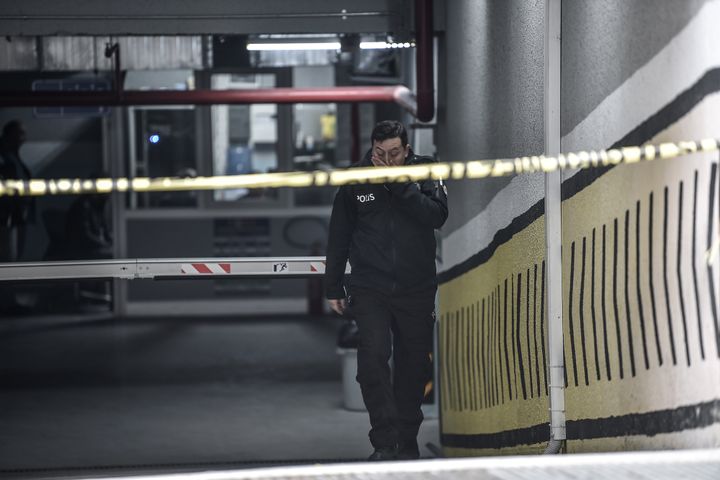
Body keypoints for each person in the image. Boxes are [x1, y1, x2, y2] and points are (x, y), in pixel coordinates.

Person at [325, 120, 448, 461]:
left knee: (414, 368)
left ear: (406, 150)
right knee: (373, 360)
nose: (386, 159)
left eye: (394, 154)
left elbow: (436, 216)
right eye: (379, 153)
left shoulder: (425, 171)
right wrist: (333, 284)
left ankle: (407, 440)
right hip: (370, 287)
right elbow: (339, 235)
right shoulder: (355, 178)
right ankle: (385, 442)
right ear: (371, 147)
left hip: (416, 288)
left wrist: (398, 184)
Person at [0, 120, 34, 313]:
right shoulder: (3, 157)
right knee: (7, 260)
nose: (24, 138)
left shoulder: (13, 156)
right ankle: (6, 304)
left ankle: (8, 300)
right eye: (20, 134)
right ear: (9, 135)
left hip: (16, 217)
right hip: (6, 218)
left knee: (13, 258)